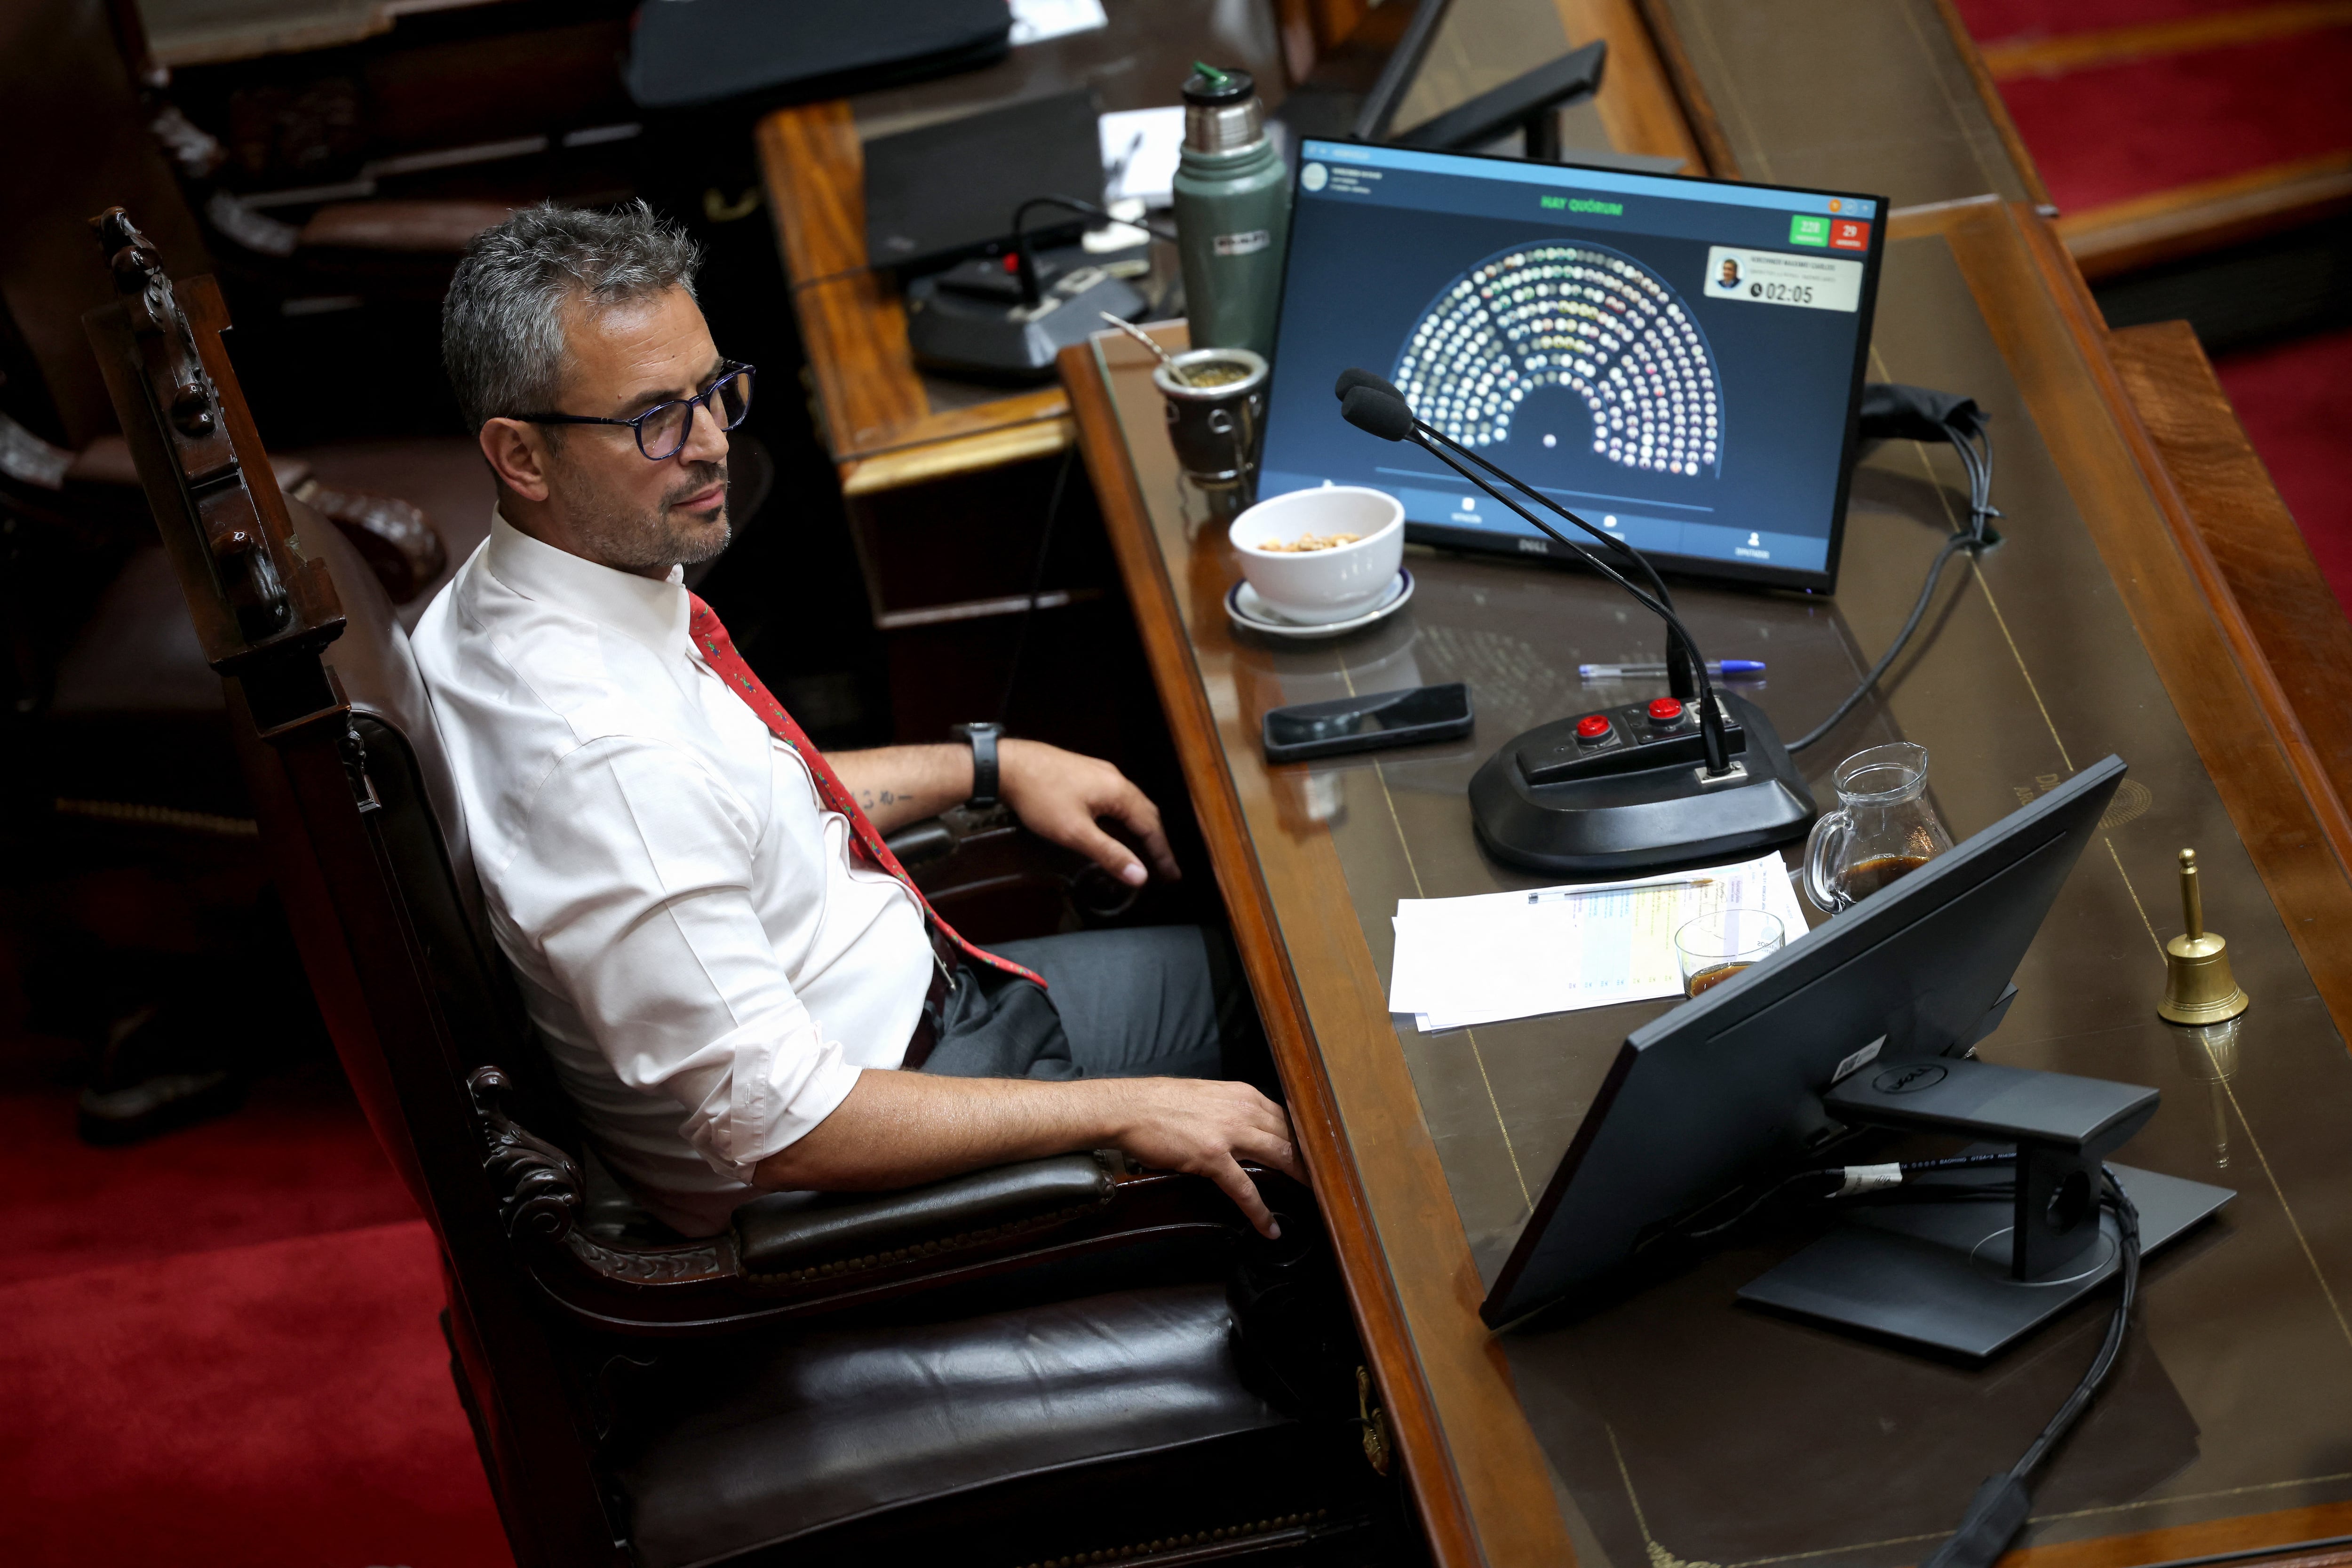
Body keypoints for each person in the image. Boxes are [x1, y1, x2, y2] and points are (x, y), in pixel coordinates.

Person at [413, 202, 1299, 1239]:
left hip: (930, 1010)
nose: (709, 447)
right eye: (655, 418)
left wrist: (987, 763)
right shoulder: (598, 758)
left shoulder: (510, 596)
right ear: (521, 456)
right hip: (881, 1155)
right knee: (1313, 1021)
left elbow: (728, 808)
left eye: (713, 392)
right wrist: (1133, 1103)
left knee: (1269, 968)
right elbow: (780, 1121)